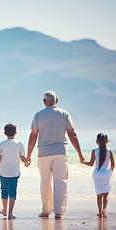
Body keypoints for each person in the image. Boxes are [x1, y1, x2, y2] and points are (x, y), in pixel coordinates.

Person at [27, 91, 85, 220]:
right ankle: (59, 212)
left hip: (43, 154)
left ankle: (46, 211)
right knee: (61, 182)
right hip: (60, 152)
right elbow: (72, 134)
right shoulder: (65, 114)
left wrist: (28, 155)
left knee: (45, 182)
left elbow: (33, 136)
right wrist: (80, 153)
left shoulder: (38, 115)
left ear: (44, 102)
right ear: (56, 100)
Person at [0, 123, 30, 219]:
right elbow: (22, 159)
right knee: (12, 191)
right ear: (16, 133)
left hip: (3, 172)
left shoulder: (1, 144)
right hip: (14, 173)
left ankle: (4, 210)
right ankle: (10, 213)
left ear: (5, 133)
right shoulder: (19, 144)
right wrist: (27, 162)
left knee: (4, 191)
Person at [80, 133, 115, 219]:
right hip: (106, 173)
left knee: (99, 195)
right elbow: (113, 164)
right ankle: (104, 210)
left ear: (97, 142)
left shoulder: (94, 151)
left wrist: (83, 162)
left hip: (97, 174)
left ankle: (100, 213)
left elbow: (91, 163)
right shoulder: (110, 151)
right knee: (106, 194)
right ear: (107, 142)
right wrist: (109, 172)